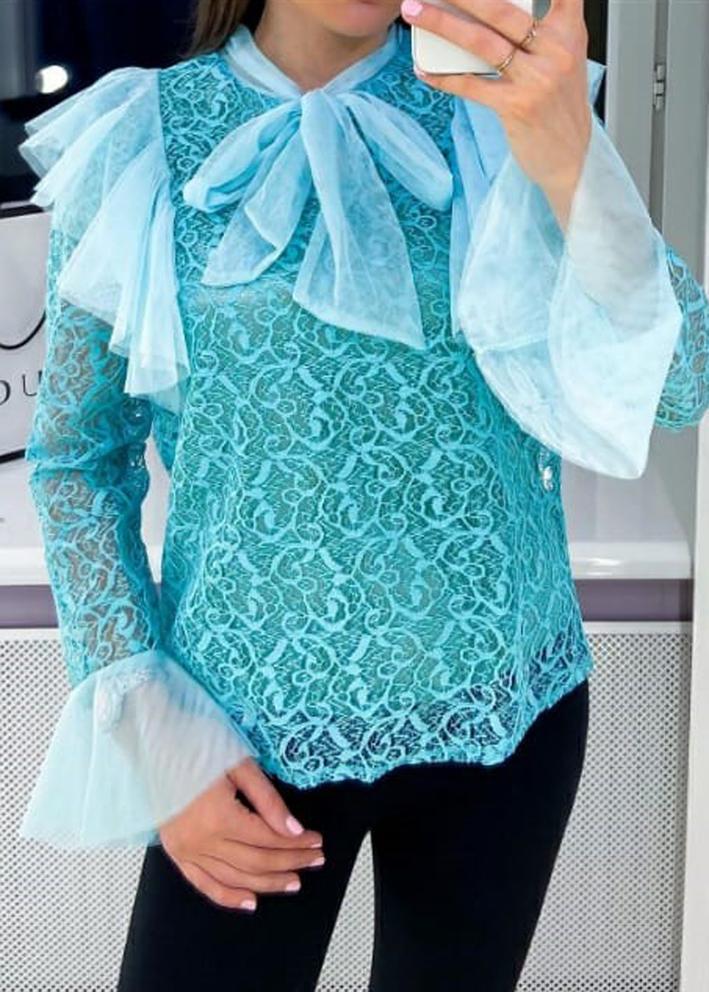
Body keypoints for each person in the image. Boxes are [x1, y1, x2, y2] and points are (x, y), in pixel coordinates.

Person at [16, 0, 709, 989]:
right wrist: (151, 726)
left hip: (502, 709)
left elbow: (681, 385)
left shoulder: (503, 115)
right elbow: (79, 458)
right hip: (242, 732)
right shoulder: (142, 137)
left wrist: (570, 158)